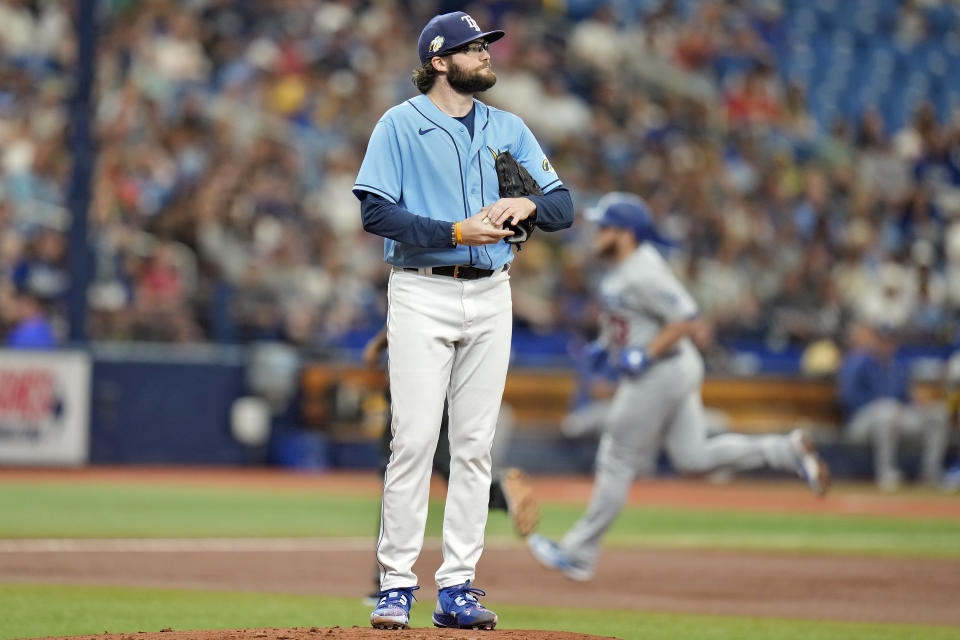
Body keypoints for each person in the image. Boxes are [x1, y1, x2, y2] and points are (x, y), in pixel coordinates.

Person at [352, 11, 574, 631]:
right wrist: (454, 230)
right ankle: (396, 585)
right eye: (474, 48)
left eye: (486, 46)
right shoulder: (399, 123)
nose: (486, 55)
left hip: (492, 291)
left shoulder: (509, 128)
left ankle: (458, 587)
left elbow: (563, 205)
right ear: (441, 60)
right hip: (422, 291)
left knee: (474, 447)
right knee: (415, 441)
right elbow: (376, 214)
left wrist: (528, 199)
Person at [527, 193, 830, 582]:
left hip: (662, 371)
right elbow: (627, 317)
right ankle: (783, 451)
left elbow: (688, 318)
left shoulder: (644, 270)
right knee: (693, 458)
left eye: (605, 226)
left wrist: (647, 353)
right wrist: (606, 347)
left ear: (627, 233)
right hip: (667, 369)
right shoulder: (619, 269)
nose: (597, 232)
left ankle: (578, 552)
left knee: (617, 457)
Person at [359, 324, 540, 605]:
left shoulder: (424, 291)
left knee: (400, 472)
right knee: (448, 466)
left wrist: (378, 344)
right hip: (450, 381)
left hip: (422, 381)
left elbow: (407, 307)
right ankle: (499, 492)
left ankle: (386, 579)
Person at [837, 322, 949, 490]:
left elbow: (905, 400)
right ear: (875, 341)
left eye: (889, 340)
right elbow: (847, 398)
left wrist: (920, 404)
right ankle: (886, 473)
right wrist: (876, 403)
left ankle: (930, 473)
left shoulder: (898, 367)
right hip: (861, 422)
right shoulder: (859, 362)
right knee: (886, 410)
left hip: (894, 418)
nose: (885, 344)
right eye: (881, 340)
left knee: (938, 413)